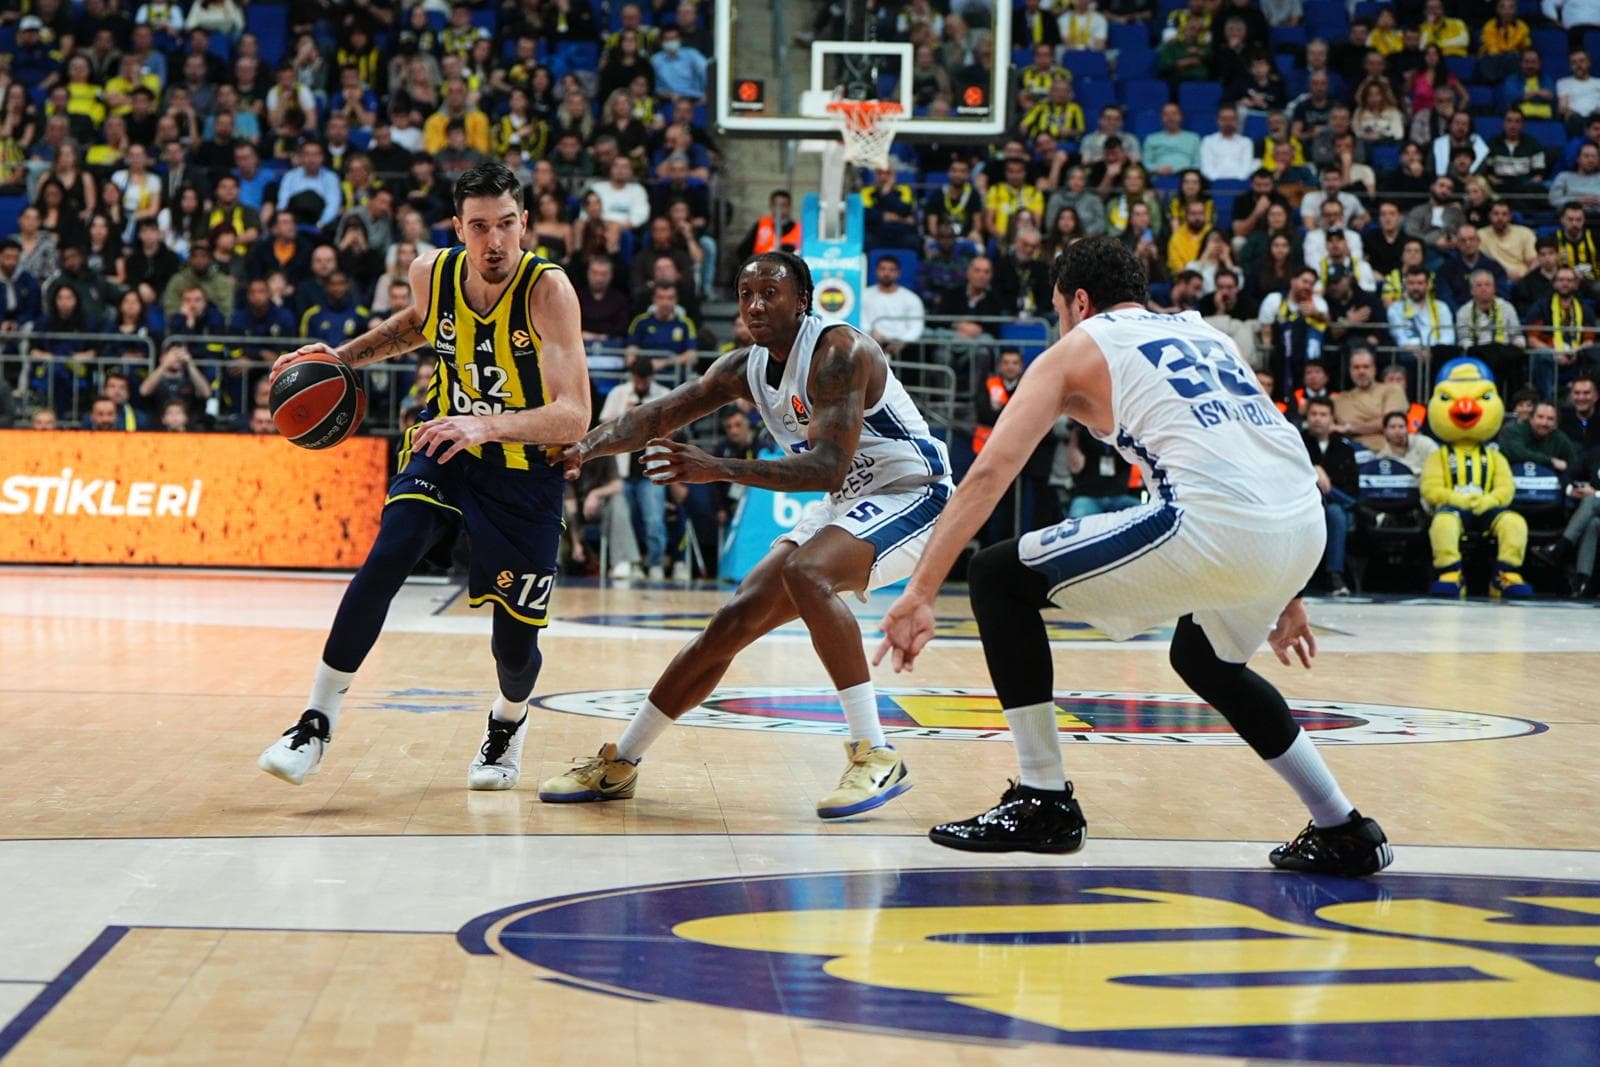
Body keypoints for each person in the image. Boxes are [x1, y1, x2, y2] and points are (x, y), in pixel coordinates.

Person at [875, 237, 1392, 875]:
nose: (1060, 322)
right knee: (1205, 659)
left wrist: (921, 592)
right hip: (1299, 521)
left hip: (1220, 525)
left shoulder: (1075, 351)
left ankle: (1043, 799)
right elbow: (1254, 451)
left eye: (1060, 309)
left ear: (1080, 302)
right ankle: (1343, 825)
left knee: (997, 575)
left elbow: (986, 478)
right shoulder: (1205, 334)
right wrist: (1285, 587)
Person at [538, 251, 953, 818]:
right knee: (731, 622)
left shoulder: (839, 352)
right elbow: (658, 415)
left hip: (914, 491)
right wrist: (586, 447)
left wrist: (722, 467)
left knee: (806, 573)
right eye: (746, 295)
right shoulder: (746, 367)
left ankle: (875, 752)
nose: (756, 305)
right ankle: (621, 762)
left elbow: (827, 468)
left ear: (802, 300)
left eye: (770, 294)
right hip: (851, 498)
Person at [258, 163, 591, 793]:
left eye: (508, 224)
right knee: (388, 556)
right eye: (481, 227)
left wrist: (486, 425)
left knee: (514, 654)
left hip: (523, 473)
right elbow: (416, 325)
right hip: (444, 444)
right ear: (458, 228)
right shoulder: (429, 273)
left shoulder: (549, 291)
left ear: (524, 221)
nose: (496, 241)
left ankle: (509, 719)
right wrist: (339, 357)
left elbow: (574, 414)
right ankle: (315, 719)